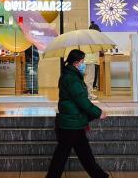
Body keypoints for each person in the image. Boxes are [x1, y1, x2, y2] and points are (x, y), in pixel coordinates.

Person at [45, 49, 109, 178]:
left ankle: (100, 176)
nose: (84, 64)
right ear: (76, 63)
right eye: (82, 61)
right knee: (67, 154)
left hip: (73, 121)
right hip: (72, 122)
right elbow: (81, 100)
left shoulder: (70, 75)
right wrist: (98, 113)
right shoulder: (72, 78)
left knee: (81, 153)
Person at [88, 22, 102, 91]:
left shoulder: (93, 38)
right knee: (90, 78)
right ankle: (89, 93)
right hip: (91, 61)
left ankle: (90, 92)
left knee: (91, 78)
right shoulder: (93, 39)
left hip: (93, 60)